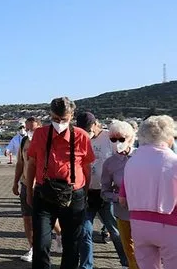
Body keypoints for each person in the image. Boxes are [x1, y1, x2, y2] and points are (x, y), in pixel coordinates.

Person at [24, 97, 95, 269]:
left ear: (72, 115)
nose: (59, 123)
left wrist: (84, 192)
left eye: (64, 119)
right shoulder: (41, 134)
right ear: (50, 115)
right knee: (41, 242)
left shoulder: (81, 136)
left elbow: (86, 167)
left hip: (73, 194)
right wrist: (29, 191)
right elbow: (32, 163)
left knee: (72, 243)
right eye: (55, 119)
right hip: (44, 192)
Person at [120, 115, 177, 269]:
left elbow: (122, 199)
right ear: (168, 136)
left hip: (139, 224)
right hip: (170, 224)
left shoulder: (131, 162)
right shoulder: (174, 162)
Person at [76, 113, 128, 269]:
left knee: (115, 231)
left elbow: (119, 160)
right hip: (87, 192)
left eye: (88, 128)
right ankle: (86, 266)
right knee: (85, 231)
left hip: (106, 192)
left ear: (95, 124)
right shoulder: (80, 138)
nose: (86, 132)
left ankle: (126, 262)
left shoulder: (109, 137)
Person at [12, 117, 63, 262]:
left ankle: (59, 235)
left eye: (33, 129)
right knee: (27, 219)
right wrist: (15, 182)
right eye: (27, 129)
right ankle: (33, 248)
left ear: (40, 128)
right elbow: (20, 163)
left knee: (47, 219)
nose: (29, 132)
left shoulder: (47, 141)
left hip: (43, 185)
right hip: (25, 184)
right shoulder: (24, 142)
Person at [101, 120, 138, 269]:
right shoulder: (109, 163)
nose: (117, 142)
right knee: (129, 250)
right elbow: (104, 191)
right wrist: (118, 198)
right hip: (123, 213)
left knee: (147, 249)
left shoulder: (141, 156)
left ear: (130, 138)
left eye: (121, 139)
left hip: (145, 212)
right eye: (113, 139)